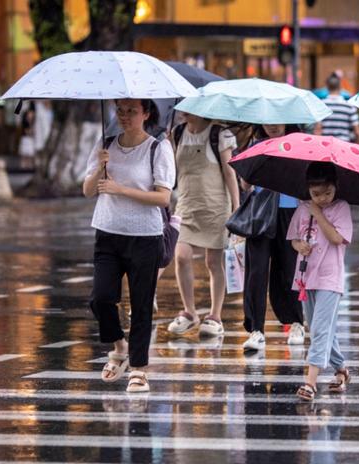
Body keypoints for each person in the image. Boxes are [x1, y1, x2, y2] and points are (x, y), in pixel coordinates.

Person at [83, 99, 175, 393]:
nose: (124, 116)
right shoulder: (106, 143)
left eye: (131, 111)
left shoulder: (157, 148)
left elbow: (163, 198)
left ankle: (139, 369)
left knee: (141, 304)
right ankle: (119, 346)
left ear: (146, 114)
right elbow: (87, 190)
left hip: (144, 236)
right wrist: (100, 167)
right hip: (108, 232)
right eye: (120, 110)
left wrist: (120, 189)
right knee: (100, 298)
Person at [166, 112, 241, 337]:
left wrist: (237, 208)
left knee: (213, 262)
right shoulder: (177, 133)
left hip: (215, 206)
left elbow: (229, 172)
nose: (183, 111)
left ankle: (215, 316)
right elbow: (172, 171)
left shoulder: (220, 134)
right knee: (180, 256)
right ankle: (189, 312)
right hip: (186, 205)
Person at [289, 162, 352, 401]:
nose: (323, 198)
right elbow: (293, 239)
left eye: (328, 193)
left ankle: (310, 382)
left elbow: (337, 238)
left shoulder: (341, 207)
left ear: (335, 188)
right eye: (316, 194)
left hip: (329, 277)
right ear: (308, 190)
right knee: (321, 328)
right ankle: (341, 369)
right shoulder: (302, 208)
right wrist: (299, 245)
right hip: (306, 277)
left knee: (320, 329)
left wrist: (318, 214)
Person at [241, 124, 305, 351]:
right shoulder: (256, 145)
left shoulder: (299, 146)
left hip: (290, 213)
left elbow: (305, 183)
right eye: (268, 121)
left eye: (278, 120)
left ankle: (296, 322)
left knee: (289, 270)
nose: (273, 126)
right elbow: (246, 184)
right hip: (261, 213)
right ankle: (255, 329)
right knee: (256, 272)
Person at [314, 73, 359, 144]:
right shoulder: (349, 106)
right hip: (343, 144)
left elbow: (318, 130)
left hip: (326, 145)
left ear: (327, 87)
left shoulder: (321, 105)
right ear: (340, 87)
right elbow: (357, 132)